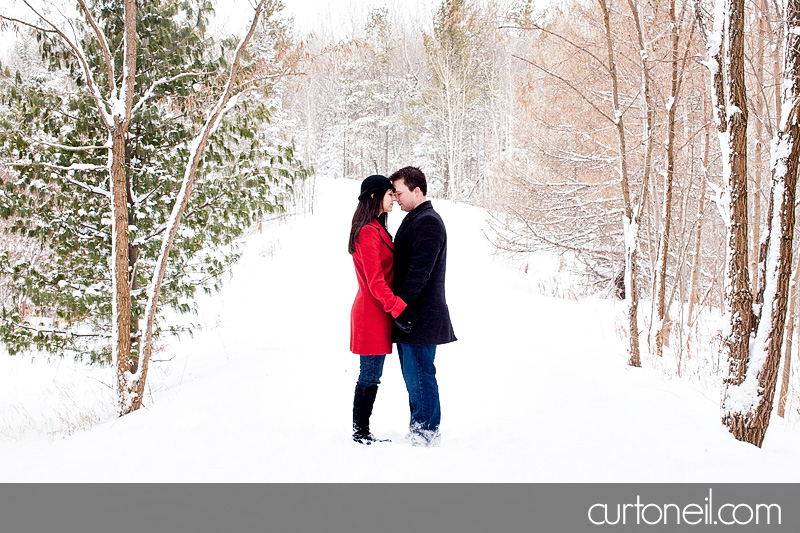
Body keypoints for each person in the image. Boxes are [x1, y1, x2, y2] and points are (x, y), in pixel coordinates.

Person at [389, 166, 457, 447]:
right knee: (413, 376)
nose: (396, 198)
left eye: (400, 192)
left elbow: (420, 271)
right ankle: (419, 428)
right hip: (410, 315)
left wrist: (399, 306)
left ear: (417, 191)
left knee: (420, 375)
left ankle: (427, 431)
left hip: (419, 316)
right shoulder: (415, 218)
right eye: (393, 193)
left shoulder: (428, 221)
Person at [348, 174, 407, 445]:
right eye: (389, 194)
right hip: (371, 313)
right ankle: (360, 433)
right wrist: (398, 308)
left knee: (372, 374)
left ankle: (362, 431)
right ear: (375, 197)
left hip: (378, 312)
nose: (394, 199)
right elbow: (375, 281)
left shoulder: (376, 228)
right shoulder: (367, 232)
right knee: (369, 374)